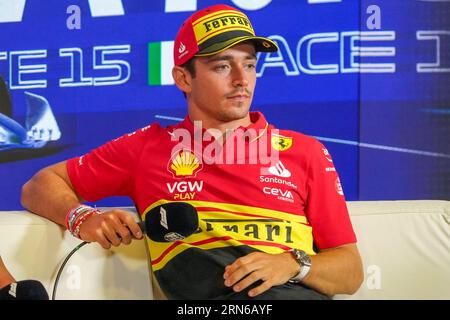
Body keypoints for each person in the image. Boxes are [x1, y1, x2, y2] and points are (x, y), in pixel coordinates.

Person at [21, 4, 363, 300]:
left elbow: (351, 270)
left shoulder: (304, 151)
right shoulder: (147, 148)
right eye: (223, 66)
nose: (241, 79)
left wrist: (292, 264)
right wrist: (83, 218)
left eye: (249, 64)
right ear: (183, 79)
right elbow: (39, 185)